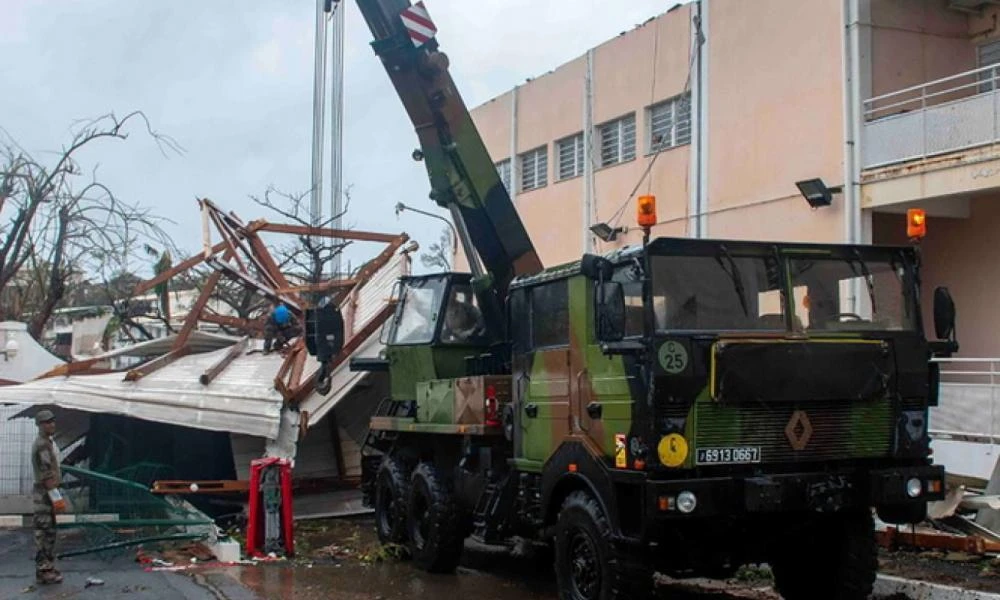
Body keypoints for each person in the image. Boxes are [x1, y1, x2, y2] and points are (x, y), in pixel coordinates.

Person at [31, 410, 63, 585]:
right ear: (40, 425)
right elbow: (46, 474)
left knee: (50, 531)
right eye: (47, 422)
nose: (51, 424)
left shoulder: (47, 443)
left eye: (52, 421)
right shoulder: (42, 445)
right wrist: (56, 498)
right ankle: (44, 569)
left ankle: (48, 566)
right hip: (44, 494)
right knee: (44, 532)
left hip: (45, 493)